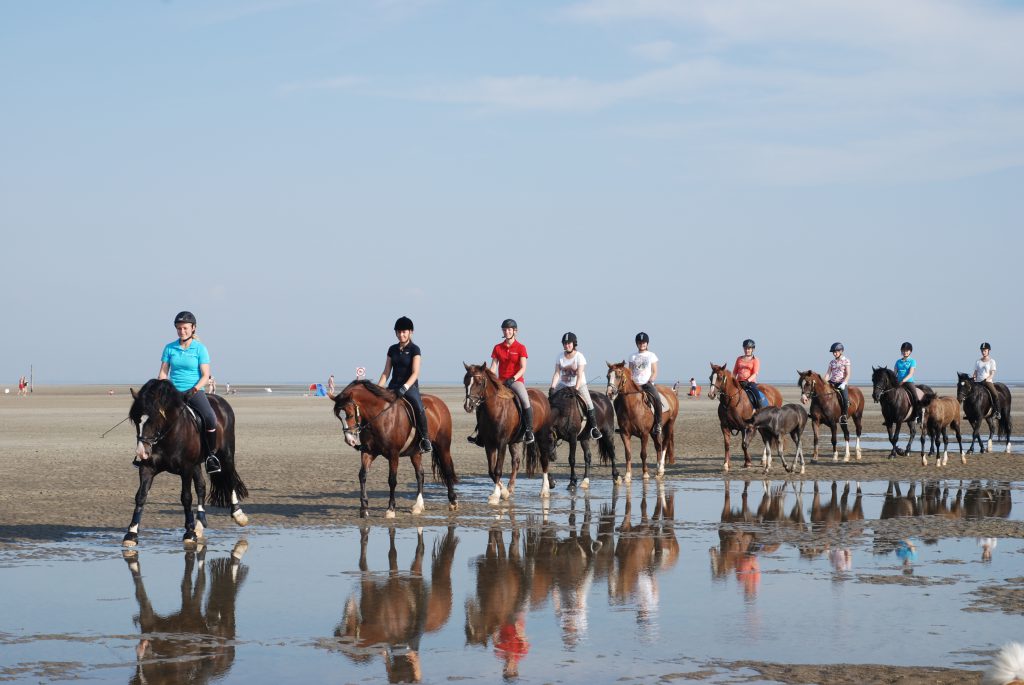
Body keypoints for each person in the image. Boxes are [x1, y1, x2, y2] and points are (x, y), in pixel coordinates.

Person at [153, 311, 221, 473]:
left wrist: (194, 389)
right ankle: (146, 453)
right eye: (178, 328)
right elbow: (163, 373)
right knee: (153, 415)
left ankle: (210, 456)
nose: (181, 331)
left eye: (184, 328)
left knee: (210, 418)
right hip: (173, 392)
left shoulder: (200, 349)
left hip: (194, 391)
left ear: (193, 328)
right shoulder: (169, 348)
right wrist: (164, 386)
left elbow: (205, 375)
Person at [376, 316, 432, 453]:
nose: (401, 334)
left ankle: (425, 438)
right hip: (393, 386)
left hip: (410, 387)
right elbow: (386, 372)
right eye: (399, 332)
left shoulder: (415, 349)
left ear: (410, 332)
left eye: (404, 332)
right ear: (396, 333)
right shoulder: (392, 349)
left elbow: (415, 373)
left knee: (419, 407)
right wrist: (377, 389)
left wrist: (405, 387)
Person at [480, 318, 534, 444]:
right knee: (483, 402)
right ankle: (480, 433)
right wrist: (489, 378)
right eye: (505, 330)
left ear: (515, 331)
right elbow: (493, 367)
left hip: (516, 381)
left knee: (525, 400)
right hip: (500, 382)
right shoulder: (497, 347)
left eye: (509, 329)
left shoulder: (521, 347)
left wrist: (513, 379)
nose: (507, 332)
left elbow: (523, 367)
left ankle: (529, 431)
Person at [549, 331, 601, 439]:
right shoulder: (559, 356)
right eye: (565, 343)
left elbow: (579, 374)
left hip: (579, 384)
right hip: (563, 385)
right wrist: (553, 387)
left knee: (589, 404)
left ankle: (594, 428)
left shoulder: (579, 356)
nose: (567, 345)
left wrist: (576, 389)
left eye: (569, 343)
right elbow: (557, 373)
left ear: (574, 343)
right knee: (550, 400)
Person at [628, 332, 662, 435]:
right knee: (619, 400)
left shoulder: (652, 355)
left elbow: (655, 371)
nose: (642, 344)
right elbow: (630, 371)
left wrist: (651, 379)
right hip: (635, 384)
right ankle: (623, 424)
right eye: (639, 342)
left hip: (647, 383)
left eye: (643, 342)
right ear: (636, 344)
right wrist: (631, 381)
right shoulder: (632, 356)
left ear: (647, 343)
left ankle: (658, 424)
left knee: (657, 399)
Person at [894, 341, 922, 422]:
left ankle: (917, 416)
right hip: (898, 382)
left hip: (908, 382)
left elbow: (910, 374)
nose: (905, 352)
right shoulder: (898, 362)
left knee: (915, 397)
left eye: (907, 350)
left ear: (910, 351)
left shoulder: (912, 361)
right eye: (903, 350)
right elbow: (894, 373)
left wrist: (903, 380)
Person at [825, 342, 852, 422]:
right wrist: (824, 382)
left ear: (841, 351)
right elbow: (828, 374)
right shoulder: (832, 362)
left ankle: (844, 415)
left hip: (842, 383)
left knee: (845, 398)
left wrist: (844, 383)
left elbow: (848, 374)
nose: (834, 353)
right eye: (833, 352)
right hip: (832, 382)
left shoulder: (846, 361)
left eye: (836, 351)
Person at [974, 342, 1001, 420]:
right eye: (982, 350)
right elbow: (975, 372)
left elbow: (992, 373)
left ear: (989, 351)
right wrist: (974, 378)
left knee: (995, 394)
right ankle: (969, 412)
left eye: (985, 350)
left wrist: (987, 379)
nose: (983, 352)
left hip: (987, 381)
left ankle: (997, 412)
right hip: (978, 382)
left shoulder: (992, 361)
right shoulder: (978, 361)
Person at [733, 339, 762, 410]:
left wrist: (747, 381)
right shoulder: (739, 359)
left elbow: (755, 373)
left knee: (757, 395)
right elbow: (734, 372)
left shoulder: (755, 360)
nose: (747, 350)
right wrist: (732, 380)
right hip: (738, 382)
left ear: (753, 349)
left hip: (750, 382)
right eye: (745, 348)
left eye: (749, 348)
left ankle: (759, 409)